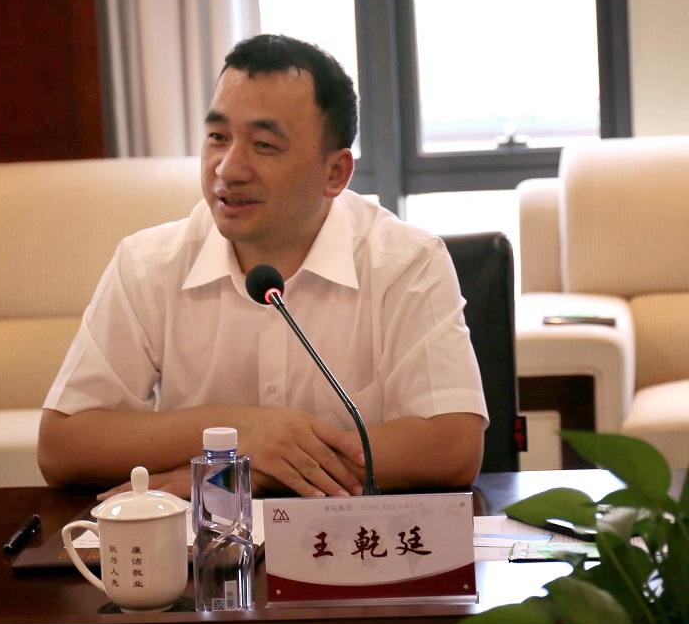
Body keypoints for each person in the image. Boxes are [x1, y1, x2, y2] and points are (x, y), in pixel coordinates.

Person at [38, 34, 487, 500]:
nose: (228, 169)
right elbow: (62, 445)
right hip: (207, 545)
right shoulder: (148, 264)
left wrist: (238, 476)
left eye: (265, 144)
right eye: (218, 137)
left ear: (335, 172)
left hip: (353, 539)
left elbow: (451, 446)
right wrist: (241, 430)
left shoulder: (406, 262)